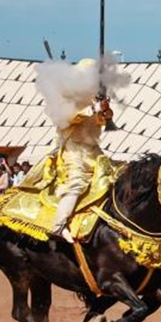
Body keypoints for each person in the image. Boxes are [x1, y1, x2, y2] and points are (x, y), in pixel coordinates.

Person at [47, 59, 114, 242]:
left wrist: (105, 112)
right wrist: (94, 108)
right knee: (77, 184)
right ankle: (58, 226)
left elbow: (101, 122)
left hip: (92, 147)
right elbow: (69, 118)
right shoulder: (69, 96)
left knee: (111, 176)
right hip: (73, 149)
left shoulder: (93, 97)